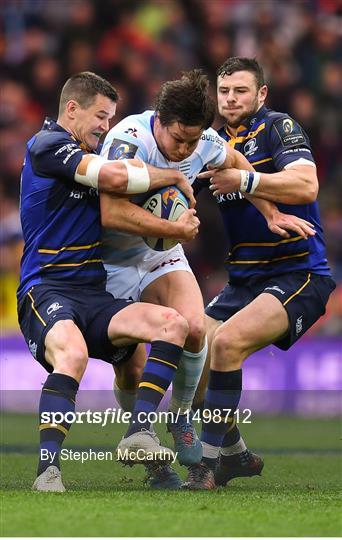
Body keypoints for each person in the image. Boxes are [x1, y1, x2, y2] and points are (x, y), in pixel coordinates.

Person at [99, 69, 316, 487]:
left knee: (196, 327)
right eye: (178, 139)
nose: (184, 149)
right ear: (158, 120)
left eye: (192, 141)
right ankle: (152, 461)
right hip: (113, 262)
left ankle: (181, 419)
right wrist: (175, 229)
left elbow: (236, 162)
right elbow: (109, 213)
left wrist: (270, 212)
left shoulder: (203, 143)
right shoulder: (129, 140)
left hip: (162, 254)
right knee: (132, 369)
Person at [17, 71, 202, 492]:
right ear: (72, 110)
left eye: (112, 117)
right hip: (45, 289)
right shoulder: (47, 146)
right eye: (100, 117)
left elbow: (123, 178)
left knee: (175, 324)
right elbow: (117, 178)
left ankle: (140, 433)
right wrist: (170, 175)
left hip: (94, 292)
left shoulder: (90, 155)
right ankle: (48, 472)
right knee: (74, 355)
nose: (106, 127)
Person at [183, 57, 336, 489]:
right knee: (190, 357)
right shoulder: (208, 143)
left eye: (241, 91)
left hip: (298, 273)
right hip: (244, 280)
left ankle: (206, 467)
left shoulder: (278, 127)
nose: (230, 99)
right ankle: (234, 454)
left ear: (261, 94)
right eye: (225, 91)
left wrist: (247, 182)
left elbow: (306, 186)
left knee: (227, 344)